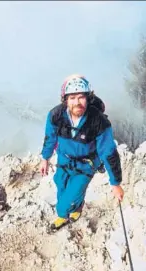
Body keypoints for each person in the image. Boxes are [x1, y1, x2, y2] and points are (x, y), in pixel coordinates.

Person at [40, 74, 124, 230]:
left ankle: (64, 215)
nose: (77, 102)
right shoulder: (56, 116)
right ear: (65, 100)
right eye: (72, 98)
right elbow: (50, 137)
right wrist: (45, 158)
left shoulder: (98, 121)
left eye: (81, 97)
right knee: (61, 184)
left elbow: (108, 151)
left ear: (88, 98)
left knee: (64, 203)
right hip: (64, 160)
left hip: (86, 164)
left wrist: (115, 183)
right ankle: (76, 207)